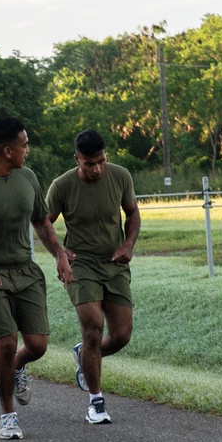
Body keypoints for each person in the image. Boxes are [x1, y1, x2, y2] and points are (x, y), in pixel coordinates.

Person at [0, 118, 73, 439]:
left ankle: (17, 367)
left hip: (25, 271)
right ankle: (7, 414)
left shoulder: (28, 177)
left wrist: (61, 255)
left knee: (37, 345)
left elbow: (41, 220)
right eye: (24, 145)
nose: (28, 150)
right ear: (7, 150)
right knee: (7, 342)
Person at [46, 129, 141, 424]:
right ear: (77, 160)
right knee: (92, 327)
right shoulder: (62, 186)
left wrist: (128, 245)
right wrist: (60, 253)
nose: (97, 169)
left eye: (101, 161)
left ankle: (85, 354)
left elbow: (133, 212)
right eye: (89, 164)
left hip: (114, 264)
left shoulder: (120, 175)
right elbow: (43, 223)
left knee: (122, 336)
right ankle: (96, 402)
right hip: (81, 265)